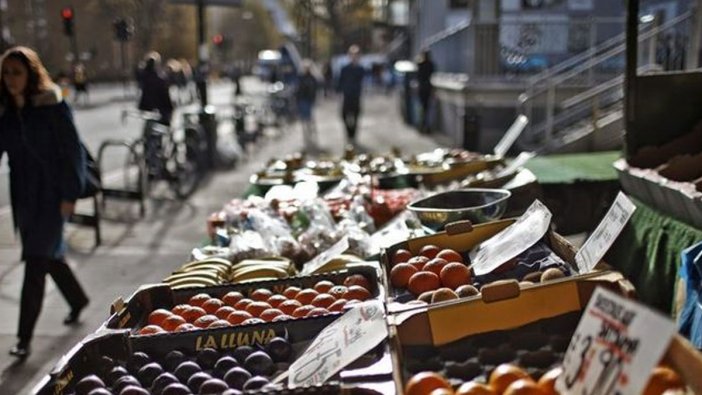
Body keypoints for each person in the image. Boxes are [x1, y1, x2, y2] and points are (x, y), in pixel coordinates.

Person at [0, 46, 90, 358]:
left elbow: (73, 152)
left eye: (17, 72)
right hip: (24, 199)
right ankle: (77, 299)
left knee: (36, 261)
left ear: (31, 74)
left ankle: (24, 338)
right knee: (48, 256)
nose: (11, 79)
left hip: (53, 194)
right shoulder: (7, 111)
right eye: (6, 72)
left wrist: (70, 194)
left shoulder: (52, 105)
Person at [337, 45, 365, 144]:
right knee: (344, 115)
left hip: (356, 96)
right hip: (347, 96)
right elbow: (340, 81)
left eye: (356, 55)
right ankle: (349, 133)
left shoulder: (360, 69)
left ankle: (353, 135)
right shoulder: (345, 69)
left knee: (356, 116)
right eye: (352, 54)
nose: (354, 57)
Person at [137, 52, 174, 125]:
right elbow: (165, 97)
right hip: (160, 109)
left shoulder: (144, 77)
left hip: (147, 107)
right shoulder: (160, 80)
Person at [295, 60, 319, 151]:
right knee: (304, 120)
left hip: (308, 101)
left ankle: (311, 135)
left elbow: (315, 88)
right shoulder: (300, 78)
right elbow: (298, 90)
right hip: (302, 100)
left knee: (309, 120)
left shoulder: (312, 78)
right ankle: (306, 137)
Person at [416, 49, 435, 134]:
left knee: (423, 108)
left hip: (422, 88)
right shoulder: (430, 64)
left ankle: (422, 125)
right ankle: (425, 126)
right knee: (426, 108)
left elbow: (418, 76)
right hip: (427, 88)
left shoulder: (421, 64)